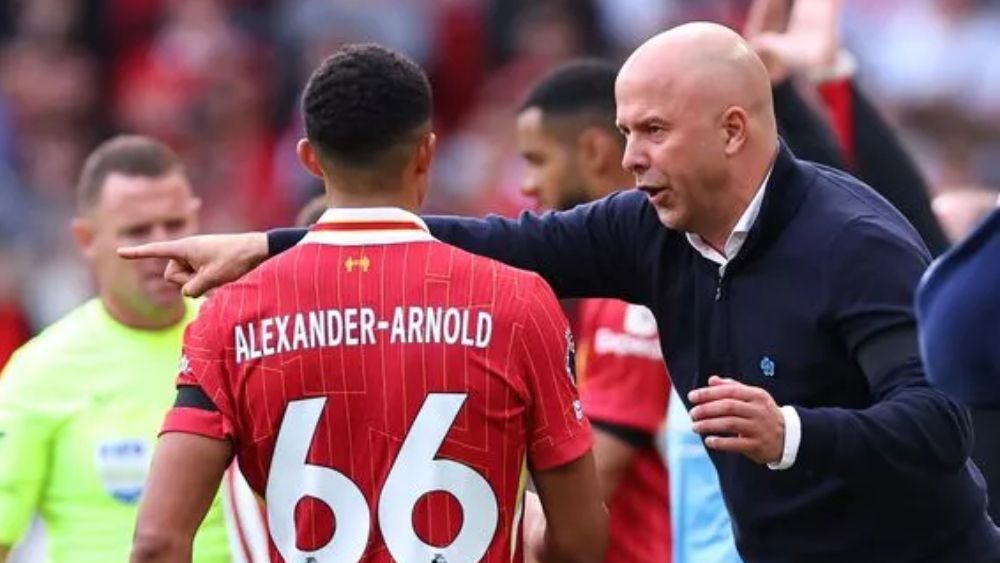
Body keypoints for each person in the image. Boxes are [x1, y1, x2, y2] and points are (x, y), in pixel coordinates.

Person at [122, 23, 1000, 562]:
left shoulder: (854, 243)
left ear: (734, 130)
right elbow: (501, 244)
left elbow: (940, 421)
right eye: (625, 132)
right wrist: (272, 243)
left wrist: (792, 433)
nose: (628, 159)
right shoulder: (648, 228)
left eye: (652, 131)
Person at [129, 44, 607, 563]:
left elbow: (157, 542)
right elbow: (581, 540)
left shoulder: (231, 316)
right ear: (426, 153)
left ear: (309, 158)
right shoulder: (519, 302)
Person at [0, 136, 247, 563]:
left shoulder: (243, 343)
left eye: (175, 226)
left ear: (197, 219)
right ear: (85, 239)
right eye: (137, 232)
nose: (160, 247)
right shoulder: (40, 370)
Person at [516, 60, 672, 563]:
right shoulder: (619, 280)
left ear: (592, 152)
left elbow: (597, 474)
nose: (527, 185)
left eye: (537, 160)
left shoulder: (629, 295)